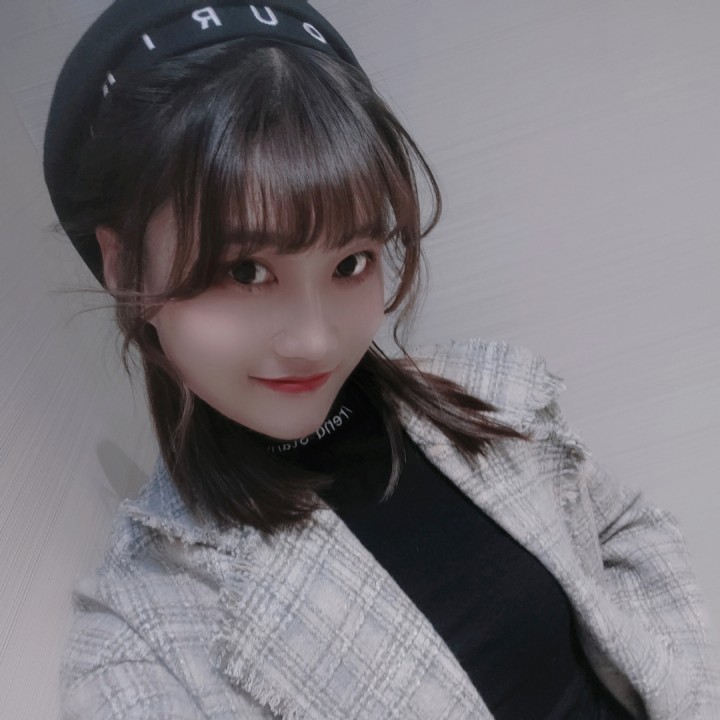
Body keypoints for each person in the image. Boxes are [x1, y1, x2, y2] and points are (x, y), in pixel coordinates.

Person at [43, 1, 718, 718]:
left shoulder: (489, 391)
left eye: (351, 262)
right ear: (125, 266)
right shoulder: (144, 638)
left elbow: (622, 529)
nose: (316, 340)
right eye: (245, 272)